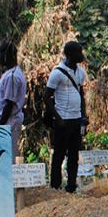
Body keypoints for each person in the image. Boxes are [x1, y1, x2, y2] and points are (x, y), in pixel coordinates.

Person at [45, 40, 87, 193]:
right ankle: (55, 186)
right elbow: (47, 97)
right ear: (69, 54)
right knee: (59, 154)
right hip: (62, 119)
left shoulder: (81, 72)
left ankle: (71, 186)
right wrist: (58, 117)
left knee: (74, 154)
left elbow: (81, 95)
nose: (81, 55)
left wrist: (83, 115)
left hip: (76, 119)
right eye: (78, 53)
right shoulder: (57, 73)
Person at [0, 40, 27, 158]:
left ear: (7, 56)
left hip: (7, 122)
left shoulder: (12, 76)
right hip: (5, 121)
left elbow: (9, 105)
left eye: (1, 54)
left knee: (5, 156)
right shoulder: (10, 73)